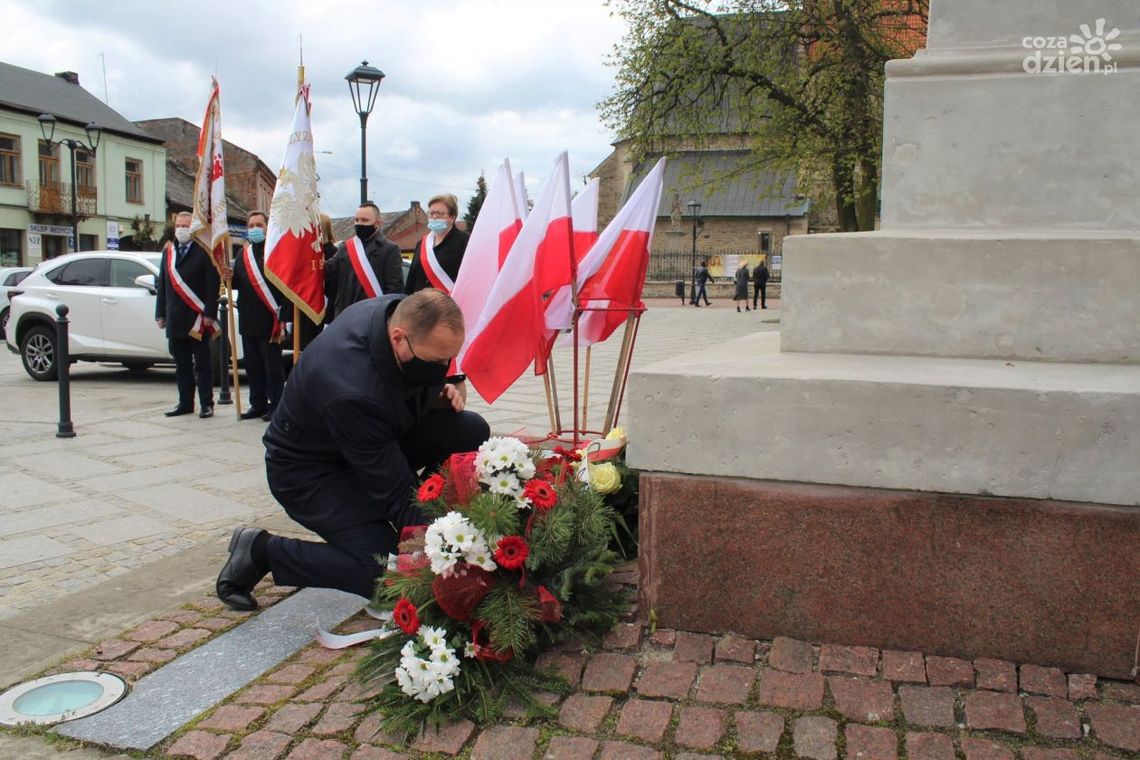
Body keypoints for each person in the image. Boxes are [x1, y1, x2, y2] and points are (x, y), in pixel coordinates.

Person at [215, 289, 490, 609]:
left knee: (469, 430)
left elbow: (415, 384)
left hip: (370, 441)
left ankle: (428, 517)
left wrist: (437, 394)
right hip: (311, 473)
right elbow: (397, 496)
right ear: (399, 339)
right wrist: (443, 553)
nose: (444, 369)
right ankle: (263, 552)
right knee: (388, 572)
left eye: (449, 358)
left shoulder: (399, 312)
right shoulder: (352, 391)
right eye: (436, 362)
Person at [155, 211, 220, 418]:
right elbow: (163, 284)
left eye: (185, 226)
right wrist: (160, 314)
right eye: (178, 226)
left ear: (193, 229)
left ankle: (206, 403)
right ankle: (185, 403)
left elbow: (212, 285)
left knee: (202, 363)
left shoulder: (203, 251)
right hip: (175, 318)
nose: (181, 230)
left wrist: (210, 313)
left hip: (197, 319)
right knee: (181, 365)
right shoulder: (169, 253)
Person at [231, 211, 285, 421]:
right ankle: (257, 404)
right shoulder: (242, 255)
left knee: (272, 367)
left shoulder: (275, 251)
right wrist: (228, 276)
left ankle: (276, 404)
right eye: (251, 225)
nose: (254, 228)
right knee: (253, 366)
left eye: (258, 225)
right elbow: (237, 283)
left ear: (266, 227)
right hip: (247, 318)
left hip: (269, 320)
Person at [323, 202, 403, 320]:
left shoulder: (389, 249)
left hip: (372, 316)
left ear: (378, 223)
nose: (359, 224)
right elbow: (328, 271)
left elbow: (394, 288)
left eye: (365, 220)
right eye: (357, 220)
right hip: (345, 314)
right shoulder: (346, 247)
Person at [405, 194, 469, 295]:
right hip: (420, 305)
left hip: (448, 305)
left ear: (452, 217)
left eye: (440, 213)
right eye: (431, 213)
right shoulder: (422, 243)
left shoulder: (465, 241)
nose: (434, 217)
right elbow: (411, 279)